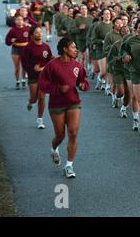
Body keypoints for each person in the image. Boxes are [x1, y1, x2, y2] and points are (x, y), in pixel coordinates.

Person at [39, 37, 90, 178]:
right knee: (60, 135)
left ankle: (69, 166)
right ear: (65, 49)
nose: (76, 50)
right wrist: (58, 89)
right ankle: (54, 148)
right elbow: (43, 85)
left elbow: (83, 82)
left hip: (74, 103)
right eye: (73, 47)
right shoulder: (52, 65)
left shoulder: (78, 66)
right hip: (56, 105)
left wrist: (82, 85)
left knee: (73, 132)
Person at [21, 26, 54, 129]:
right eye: (37, 32)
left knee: (42, 98)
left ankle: (40, 119)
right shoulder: (28, 47)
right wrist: (32, 68)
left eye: (41, 32)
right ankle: (30, 102)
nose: (40, 34)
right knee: (34, 98)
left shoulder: (46, 46)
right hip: (33, 76)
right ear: (32, 35)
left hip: (44, 77)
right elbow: (24, 62)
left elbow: (50, 59)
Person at [5, 15, 30, 89]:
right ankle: (17, 81)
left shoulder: (27, 29)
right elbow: (7, 41)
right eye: (18, 20)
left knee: (24, 66)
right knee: (17, 67)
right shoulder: (12, 30)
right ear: (15, 21)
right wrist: (11, 41)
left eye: (21, 19)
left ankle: (23, 80)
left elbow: (31, 39)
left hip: (25, 49)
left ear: (23, 21)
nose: (19, 21)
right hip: (15, 49)